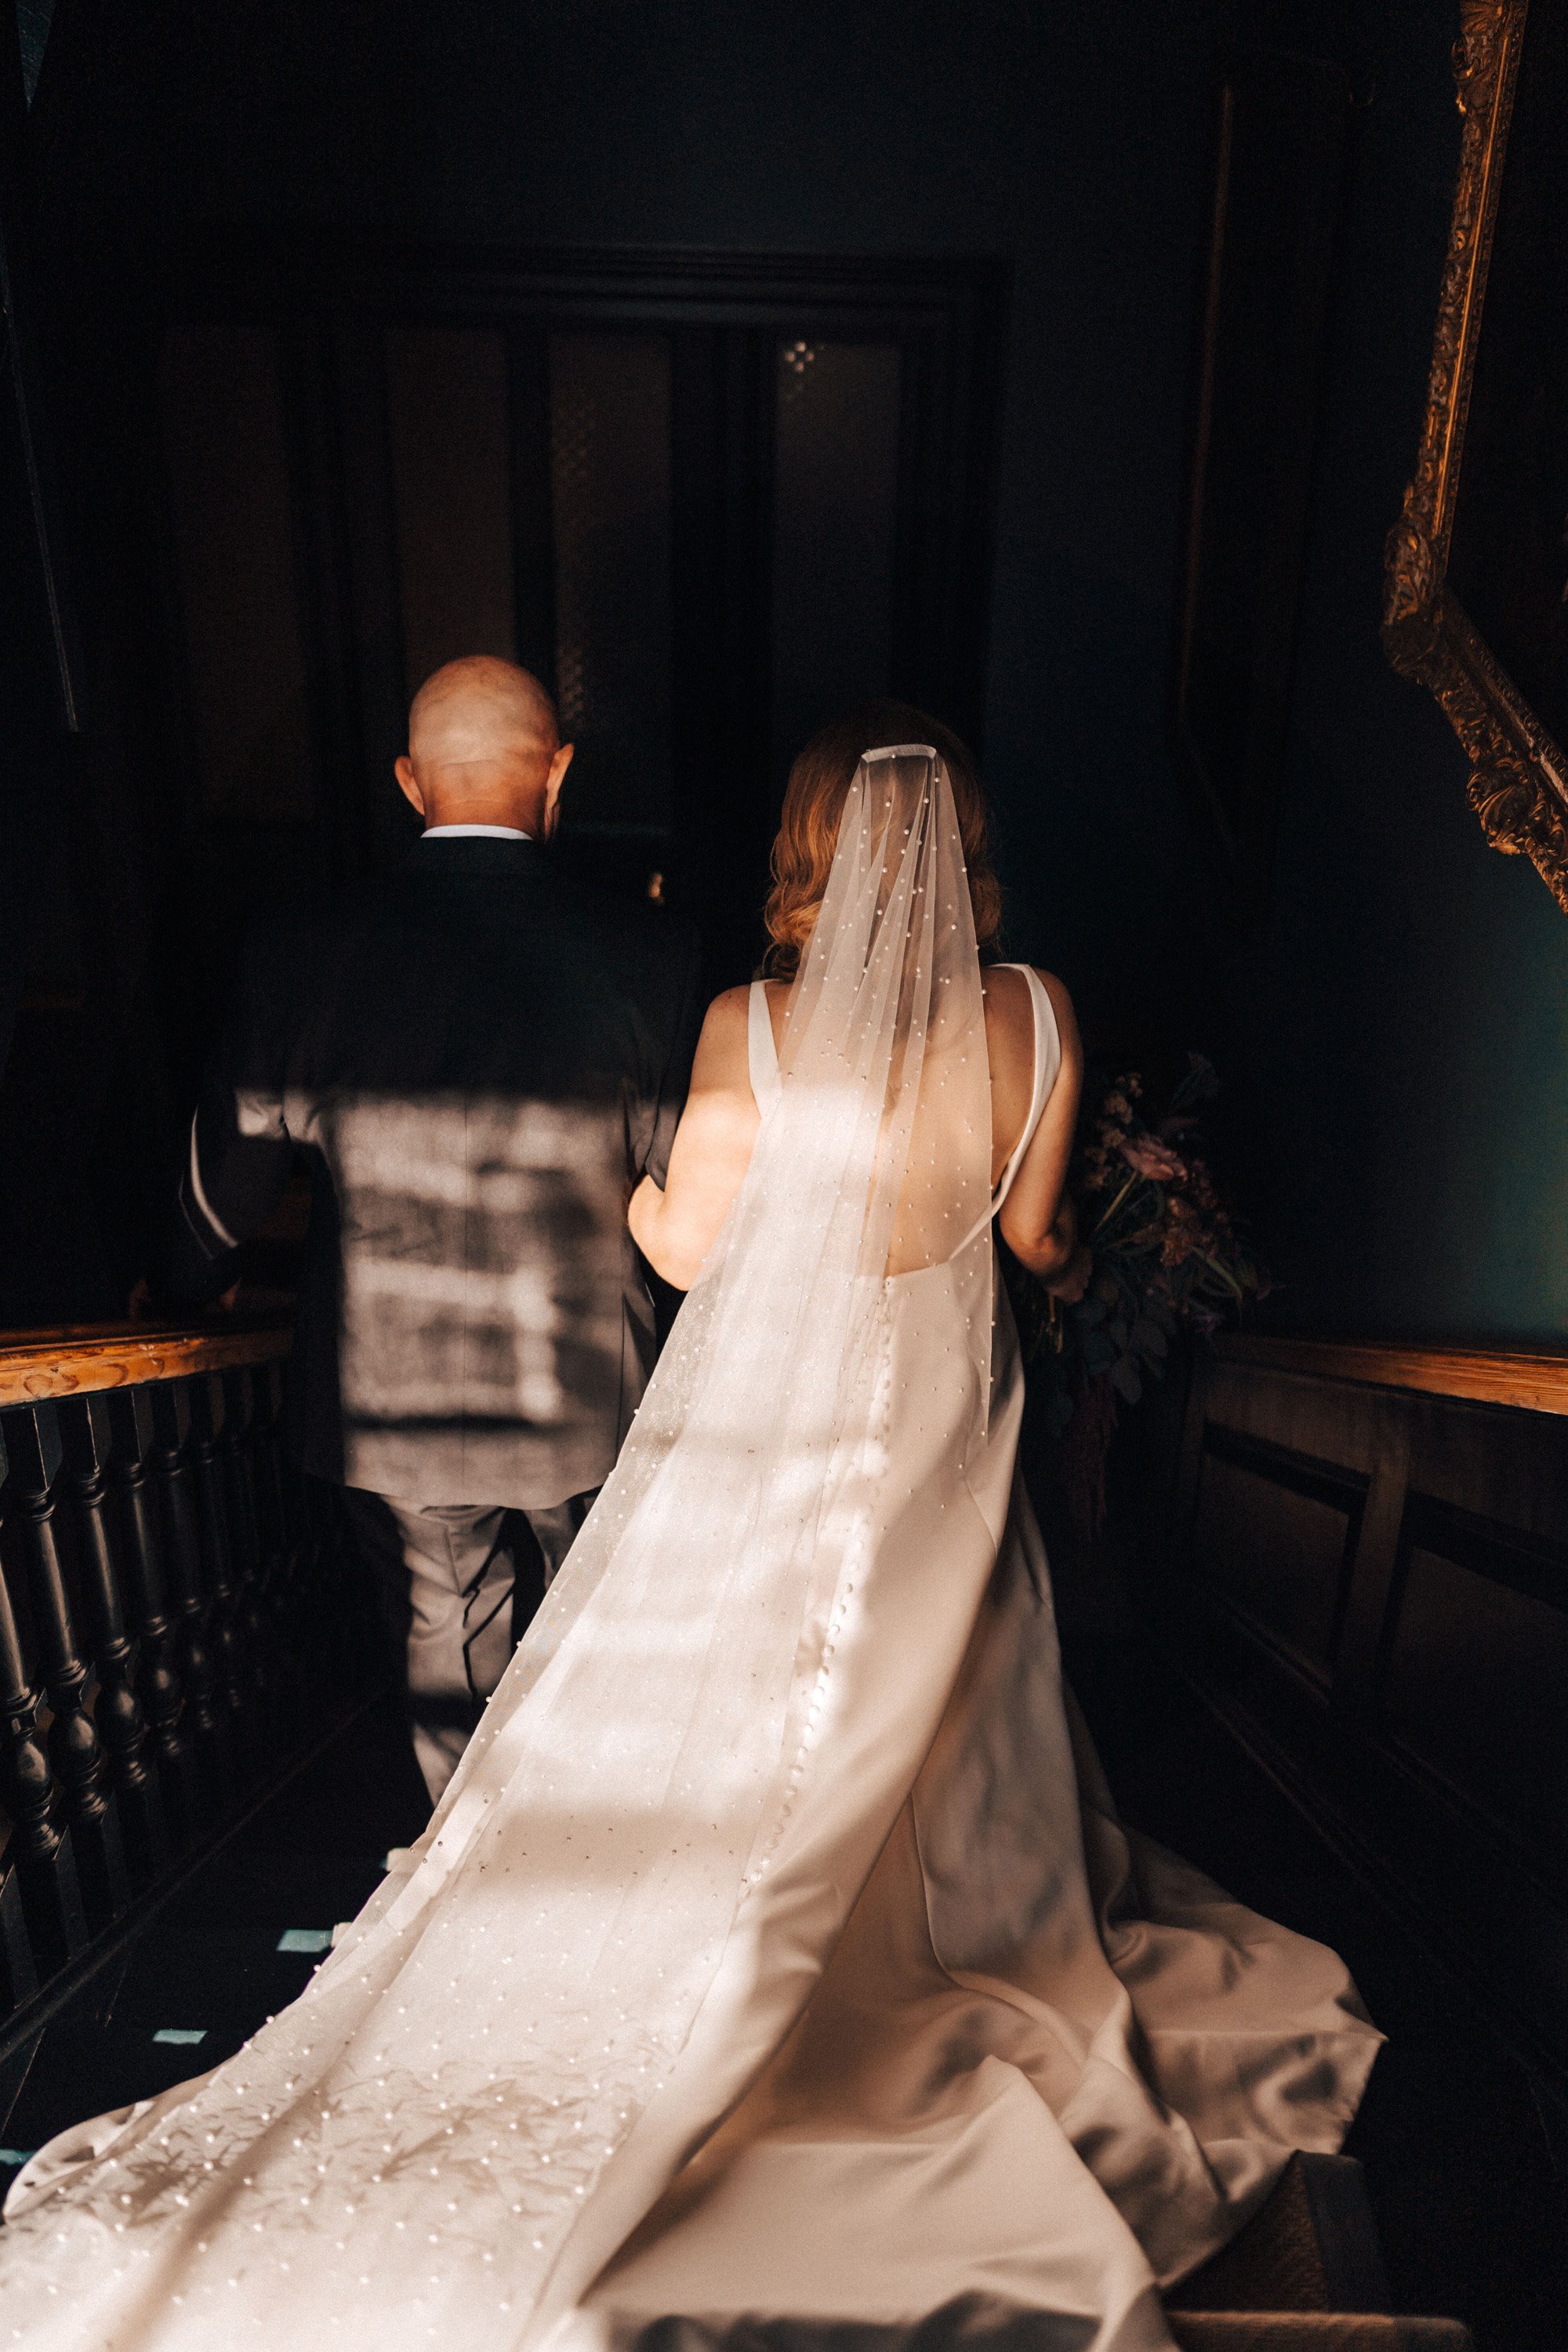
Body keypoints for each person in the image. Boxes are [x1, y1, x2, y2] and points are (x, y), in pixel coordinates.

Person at [1, 709, 1380, 2352]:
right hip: (951, 1439)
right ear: (967, 850)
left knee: (732, 1717)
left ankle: (671, 1925)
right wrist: (1096, 1262)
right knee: (946, 1702)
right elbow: (1031, 1235)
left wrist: (631, 1189)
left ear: (804, 858)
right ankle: (932, 1937)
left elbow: (677, 1250)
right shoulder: (1037, 1012)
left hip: (781, 1448)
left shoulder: (750, 1025)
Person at [166, 655, 702, 1801]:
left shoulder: (300, 949)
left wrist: (183, 1280)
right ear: (557, 772)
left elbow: (227, 1187)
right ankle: (597, 1853)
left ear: (411, 784)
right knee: (601, 1623)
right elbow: (674, 1175)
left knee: (441, 1626)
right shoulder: (650, 955)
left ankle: (468, 1875)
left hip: (392, 1387)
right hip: (588, 1380)